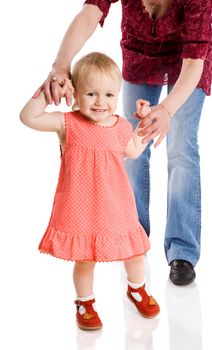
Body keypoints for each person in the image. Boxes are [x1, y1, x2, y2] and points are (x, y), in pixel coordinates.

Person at [34, 0, 212, 285]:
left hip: (188, 64)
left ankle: (182, 251)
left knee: (180, 148)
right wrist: (60, 66)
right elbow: (90, 13)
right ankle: (132, 234)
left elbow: (194, 61)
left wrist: (167, 109)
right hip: (140, 57)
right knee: (130, 147)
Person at [20, 52, 160, 331]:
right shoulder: (67, 123)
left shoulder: (121, 126)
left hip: (117, 205)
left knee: (134, 253)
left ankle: (137, 289)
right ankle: (85, 302)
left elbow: (134, 150)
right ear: (75, 94)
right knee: (85, 260)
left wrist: (144, 124)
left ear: (118, 95)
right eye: (91, 93)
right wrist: (50, 91)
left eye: (109, 94)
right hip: (79, 208)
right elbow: (28, 117)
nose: (100, 102)